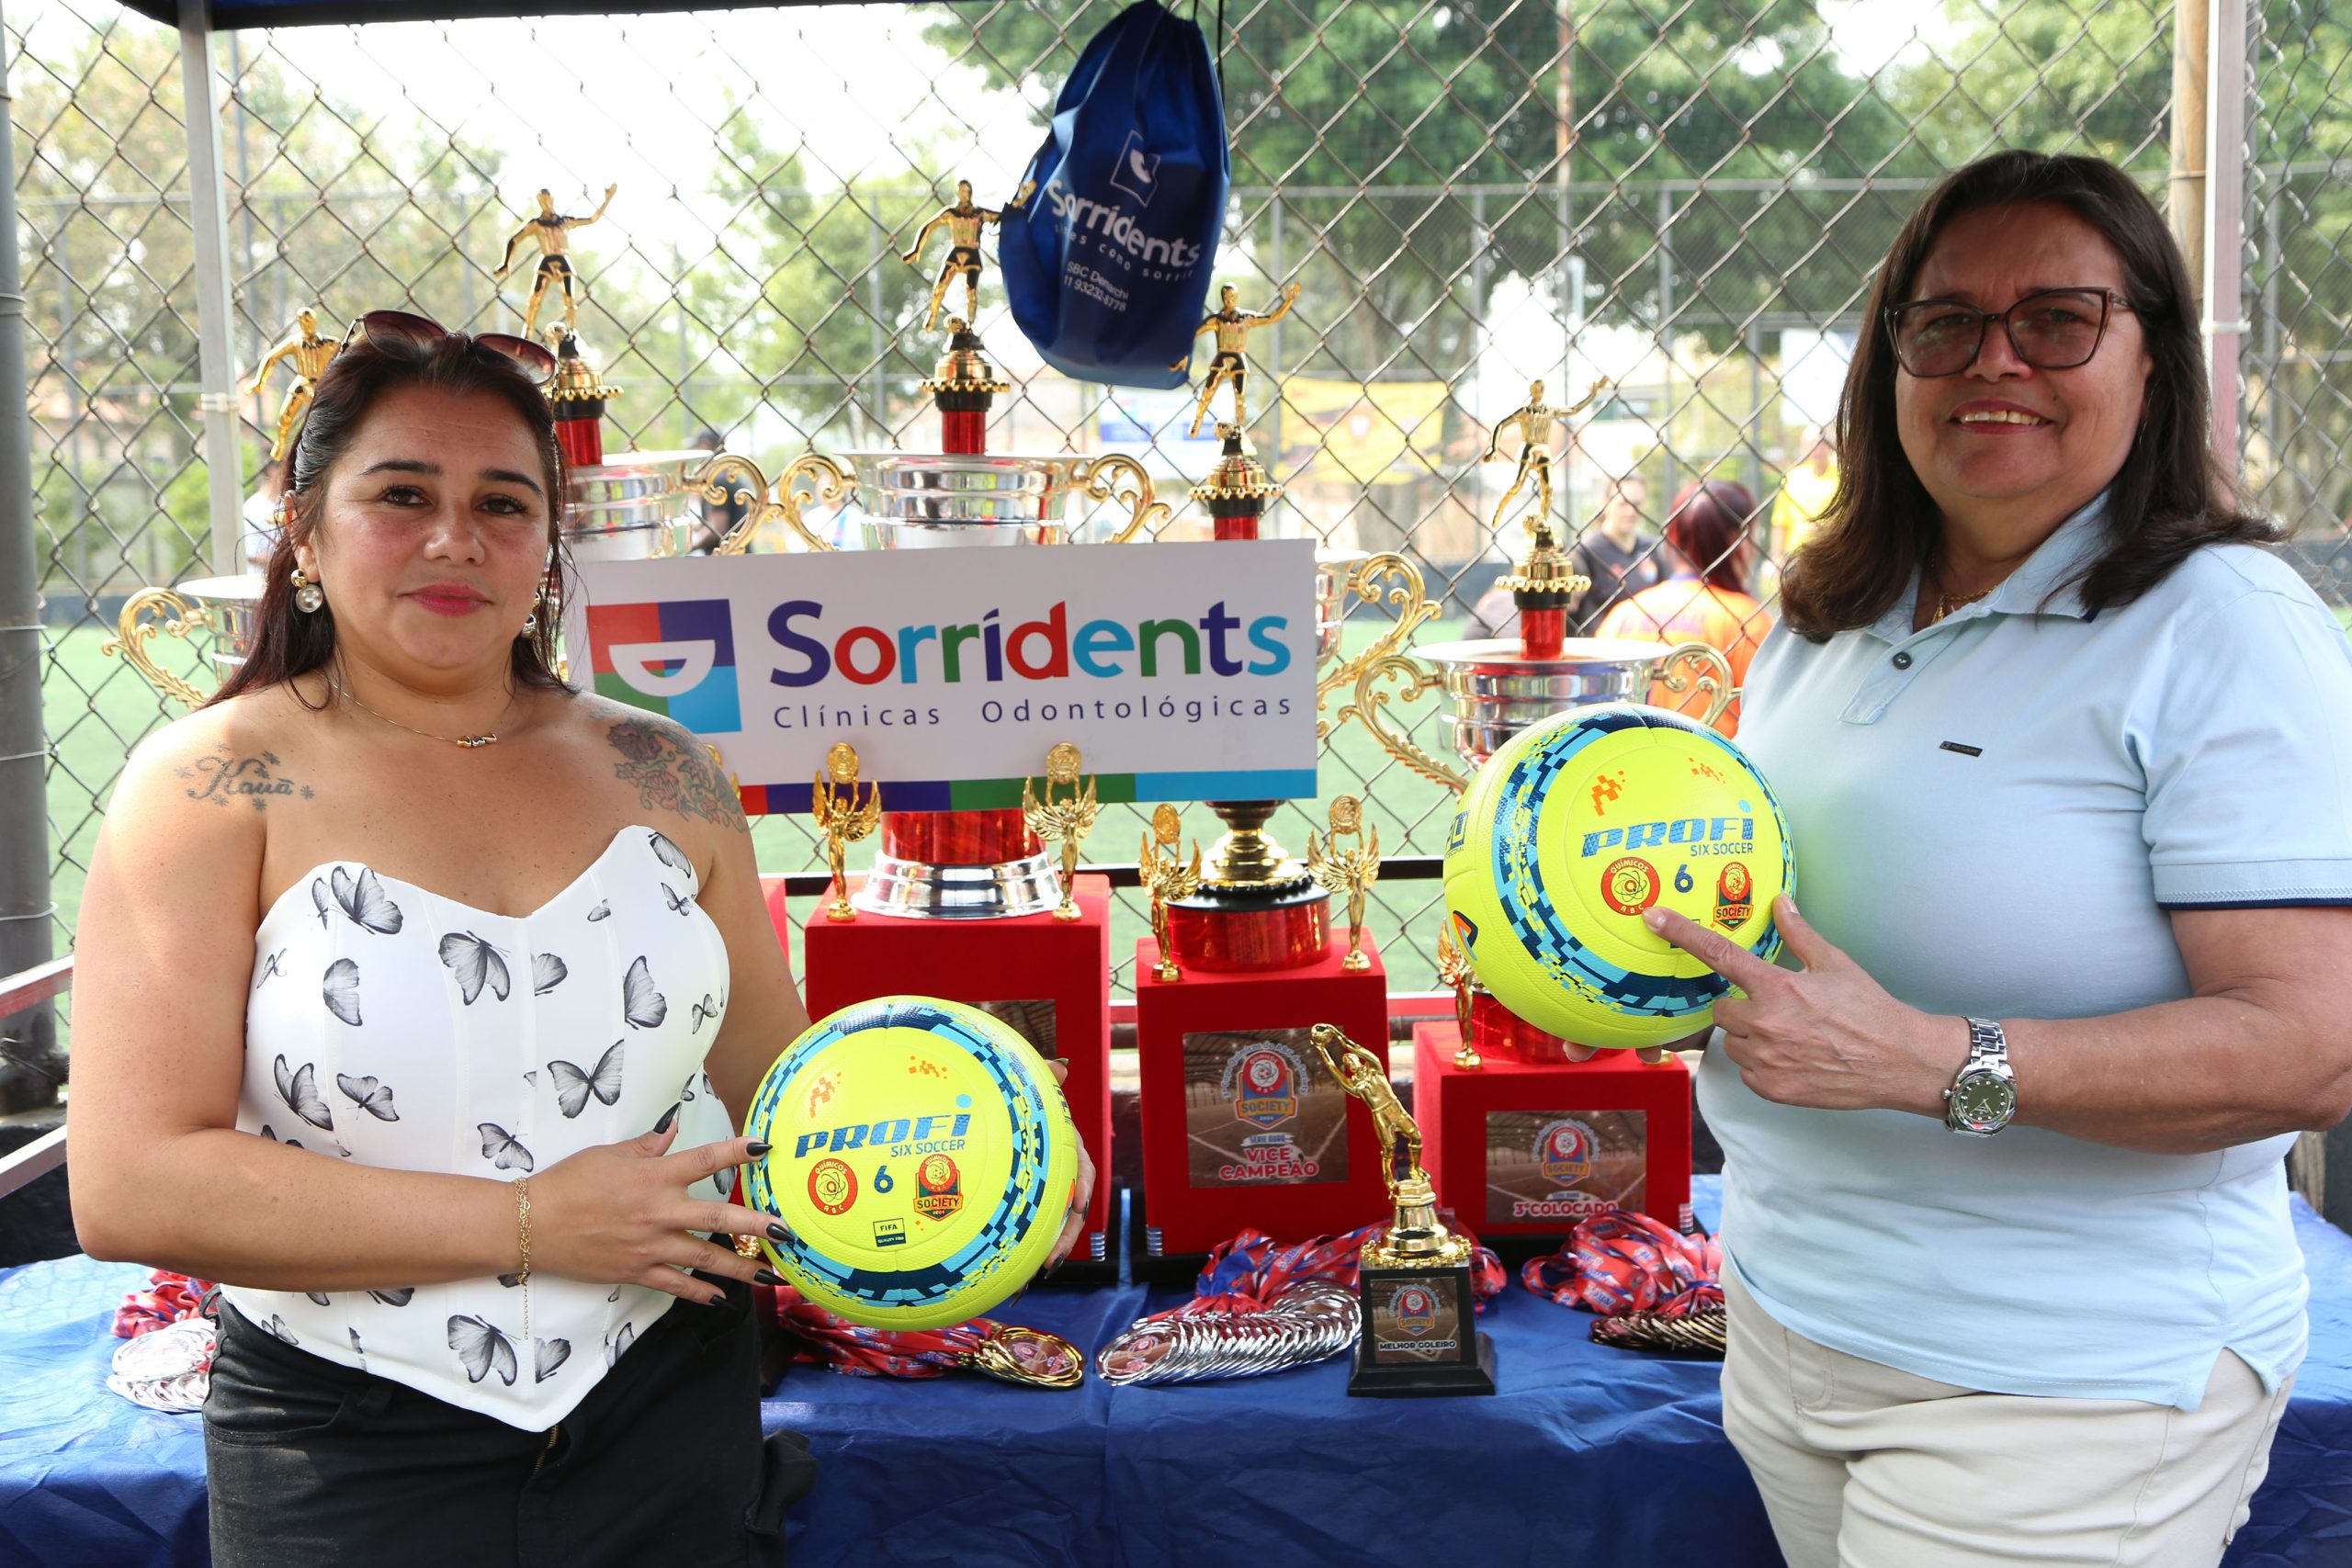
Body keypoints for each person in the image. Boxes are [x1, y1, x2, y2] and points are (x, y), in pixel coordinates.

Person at [66, 310, 1094, 1563]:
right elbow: (130, 1180)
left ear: (551, 544)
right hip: (352, 1448)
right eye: (401, 492)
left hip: (670, 1414)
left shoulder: (664, 768)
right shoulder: (208, 785)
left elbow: (780, 1088)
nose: (456, 537)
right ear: (305, 528)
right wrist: (526, 1220)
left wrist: (990, 1145)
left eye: (504, 502)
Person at [1629, 151, 2352, 1566]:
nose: (1992, 359)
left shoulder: (2223, 623)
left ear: (2152, 359)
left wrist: (1924, 1057)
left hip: (2065, 1381)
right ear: (1887, 359)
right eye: (1943, 321)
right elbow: (1797, 922)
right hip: (1792, 1318)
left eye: (2058, 319)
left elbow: (2313, 1043)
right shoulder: (1830, 612)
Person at [1593, 478, 1771, 735]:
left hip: (1627, 768)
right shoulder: (1747, 619)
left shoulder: (1624, 615)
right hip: (1717, 768)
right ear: (1740, 540)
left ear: (1673, 537)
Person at [1566, 471, 1668, 630]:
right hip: (1604, 646)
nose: (1630, 511)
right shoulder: (1586, 553)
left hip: (1647, 643)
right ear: (1605, 503)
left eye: (1636, 504)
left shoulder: (1650, 549)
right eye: (1622, 504)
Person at [1767, 424, 1838, 564]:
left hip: (1832, 552)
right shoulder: (1792, 478)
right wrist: (1777, 556)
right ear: (1804, 447)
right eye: (1812, 444)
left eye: (1822, 443)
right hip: (1797, 555)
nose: (1818, 449)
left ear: (1831, 446)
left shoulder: (1842, 477)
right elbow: (1780, 521)